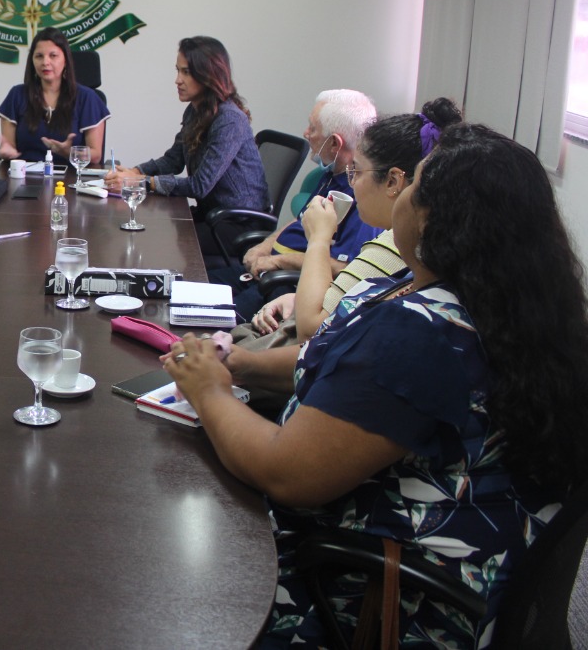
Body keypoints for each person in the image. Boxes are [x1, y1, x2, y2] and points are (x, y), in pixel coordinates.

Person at [165, 123, 588, 647]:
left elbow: (287, 472)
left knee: (176, 566)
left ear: (439, 218)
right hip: (441, 567)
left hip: (379, 597)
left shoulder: (422, 332)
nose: (403, 192)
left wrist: (208, 391)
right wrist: (242, 368)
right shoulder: (499, 301)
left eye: (415, 186)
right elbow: (336, 361)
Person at [228, 98, 463, 392]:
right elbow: (344, 305)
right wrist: (296, 299)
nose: (351, 182)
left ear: (393, 182)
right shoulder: (395, 238)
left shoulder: (396, 244)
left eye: (357, 171)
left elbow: (312, 330)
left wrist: (319, 240)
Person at [210, 89, 380, 320]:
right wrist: (265, 245)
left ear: (334, 144)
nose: (306, 133)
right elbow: (299, 221)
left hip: (285, 286)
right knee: (197, 285)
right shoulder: (331, 175)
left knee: (208, 319)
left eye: (313, 128)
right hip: (266, 270)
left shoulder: (360, 197)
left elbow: (346, 270)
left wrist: (279, 261)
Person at [103, 36, 269, 257]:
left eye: (186, 72)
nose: (177, 80)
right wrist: (136, 171)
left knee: (157, 239)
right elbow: (174, 159)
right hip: (212, 216)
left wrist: (142, 182)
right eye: (177, 71)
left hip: (238, 226)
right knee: (150, 230)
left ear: (208, 75)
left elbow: (200, 185)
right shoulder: (195, 110)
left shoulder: (229, 120)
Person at [0, 27, 110, 166]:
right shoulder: (17, 95)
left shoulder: (87, 98)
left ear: (66, 60)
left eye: (53, 55)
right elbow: (9, 148)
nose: (45, 62)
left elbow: (96, 155)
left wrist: (68, 152)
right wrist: (6, 151)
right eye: (39, 56)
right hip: (24, 178)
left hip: (71, 179)